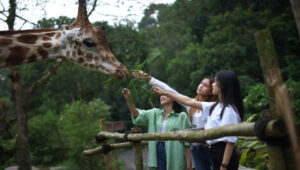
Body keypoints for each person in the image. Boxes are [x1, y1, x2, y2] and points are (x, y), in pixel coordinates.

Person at [152, 70, 244, 170]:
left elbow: (230, 142)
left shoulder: (229, 110)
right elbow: (188, 101)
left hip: (223, 156)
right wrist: (165, 93)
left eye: (216, 81)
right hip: (214, 153)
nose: (213, 84)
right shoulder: (216, 106)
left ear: (223, 85)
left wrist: (224, 166)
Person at [133, 70, 216, 170]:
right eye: (201, 83)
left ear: (212, 91)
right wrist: (149, 78)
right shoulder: (190, 104)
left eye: (205, 85)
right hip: (196, 149)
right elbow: (170, 90)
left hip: (211, 147)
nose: (201, 86)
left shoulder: (213, 106)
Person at [122, 88, 193, 170]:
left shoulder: (182, 116)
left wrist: (189, 162)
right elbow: (136, 114)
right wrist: (128, 99)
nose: (162, 96)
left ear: (173, 97)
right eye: (161, 95)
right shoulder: (155, 113)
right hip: (158, 149)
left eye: (165, 94)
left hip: (175, 151)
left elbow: (187, 142)